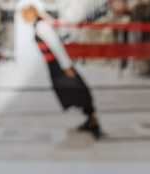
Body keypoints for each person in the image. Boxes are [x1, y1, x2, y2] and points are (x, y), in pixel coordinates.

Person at [17, 1, 103, 139]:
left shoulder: (41, 26)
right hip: (55, 65)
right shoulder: (39, 25)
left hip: (59, 65)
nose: (22, 18)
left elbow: (56, 46)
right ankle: (90, 120)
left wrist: (67, 67)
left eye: (23, 15)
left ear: (29, 14)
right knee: (73, 91)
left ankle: (93, 122)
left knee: (77, 90)